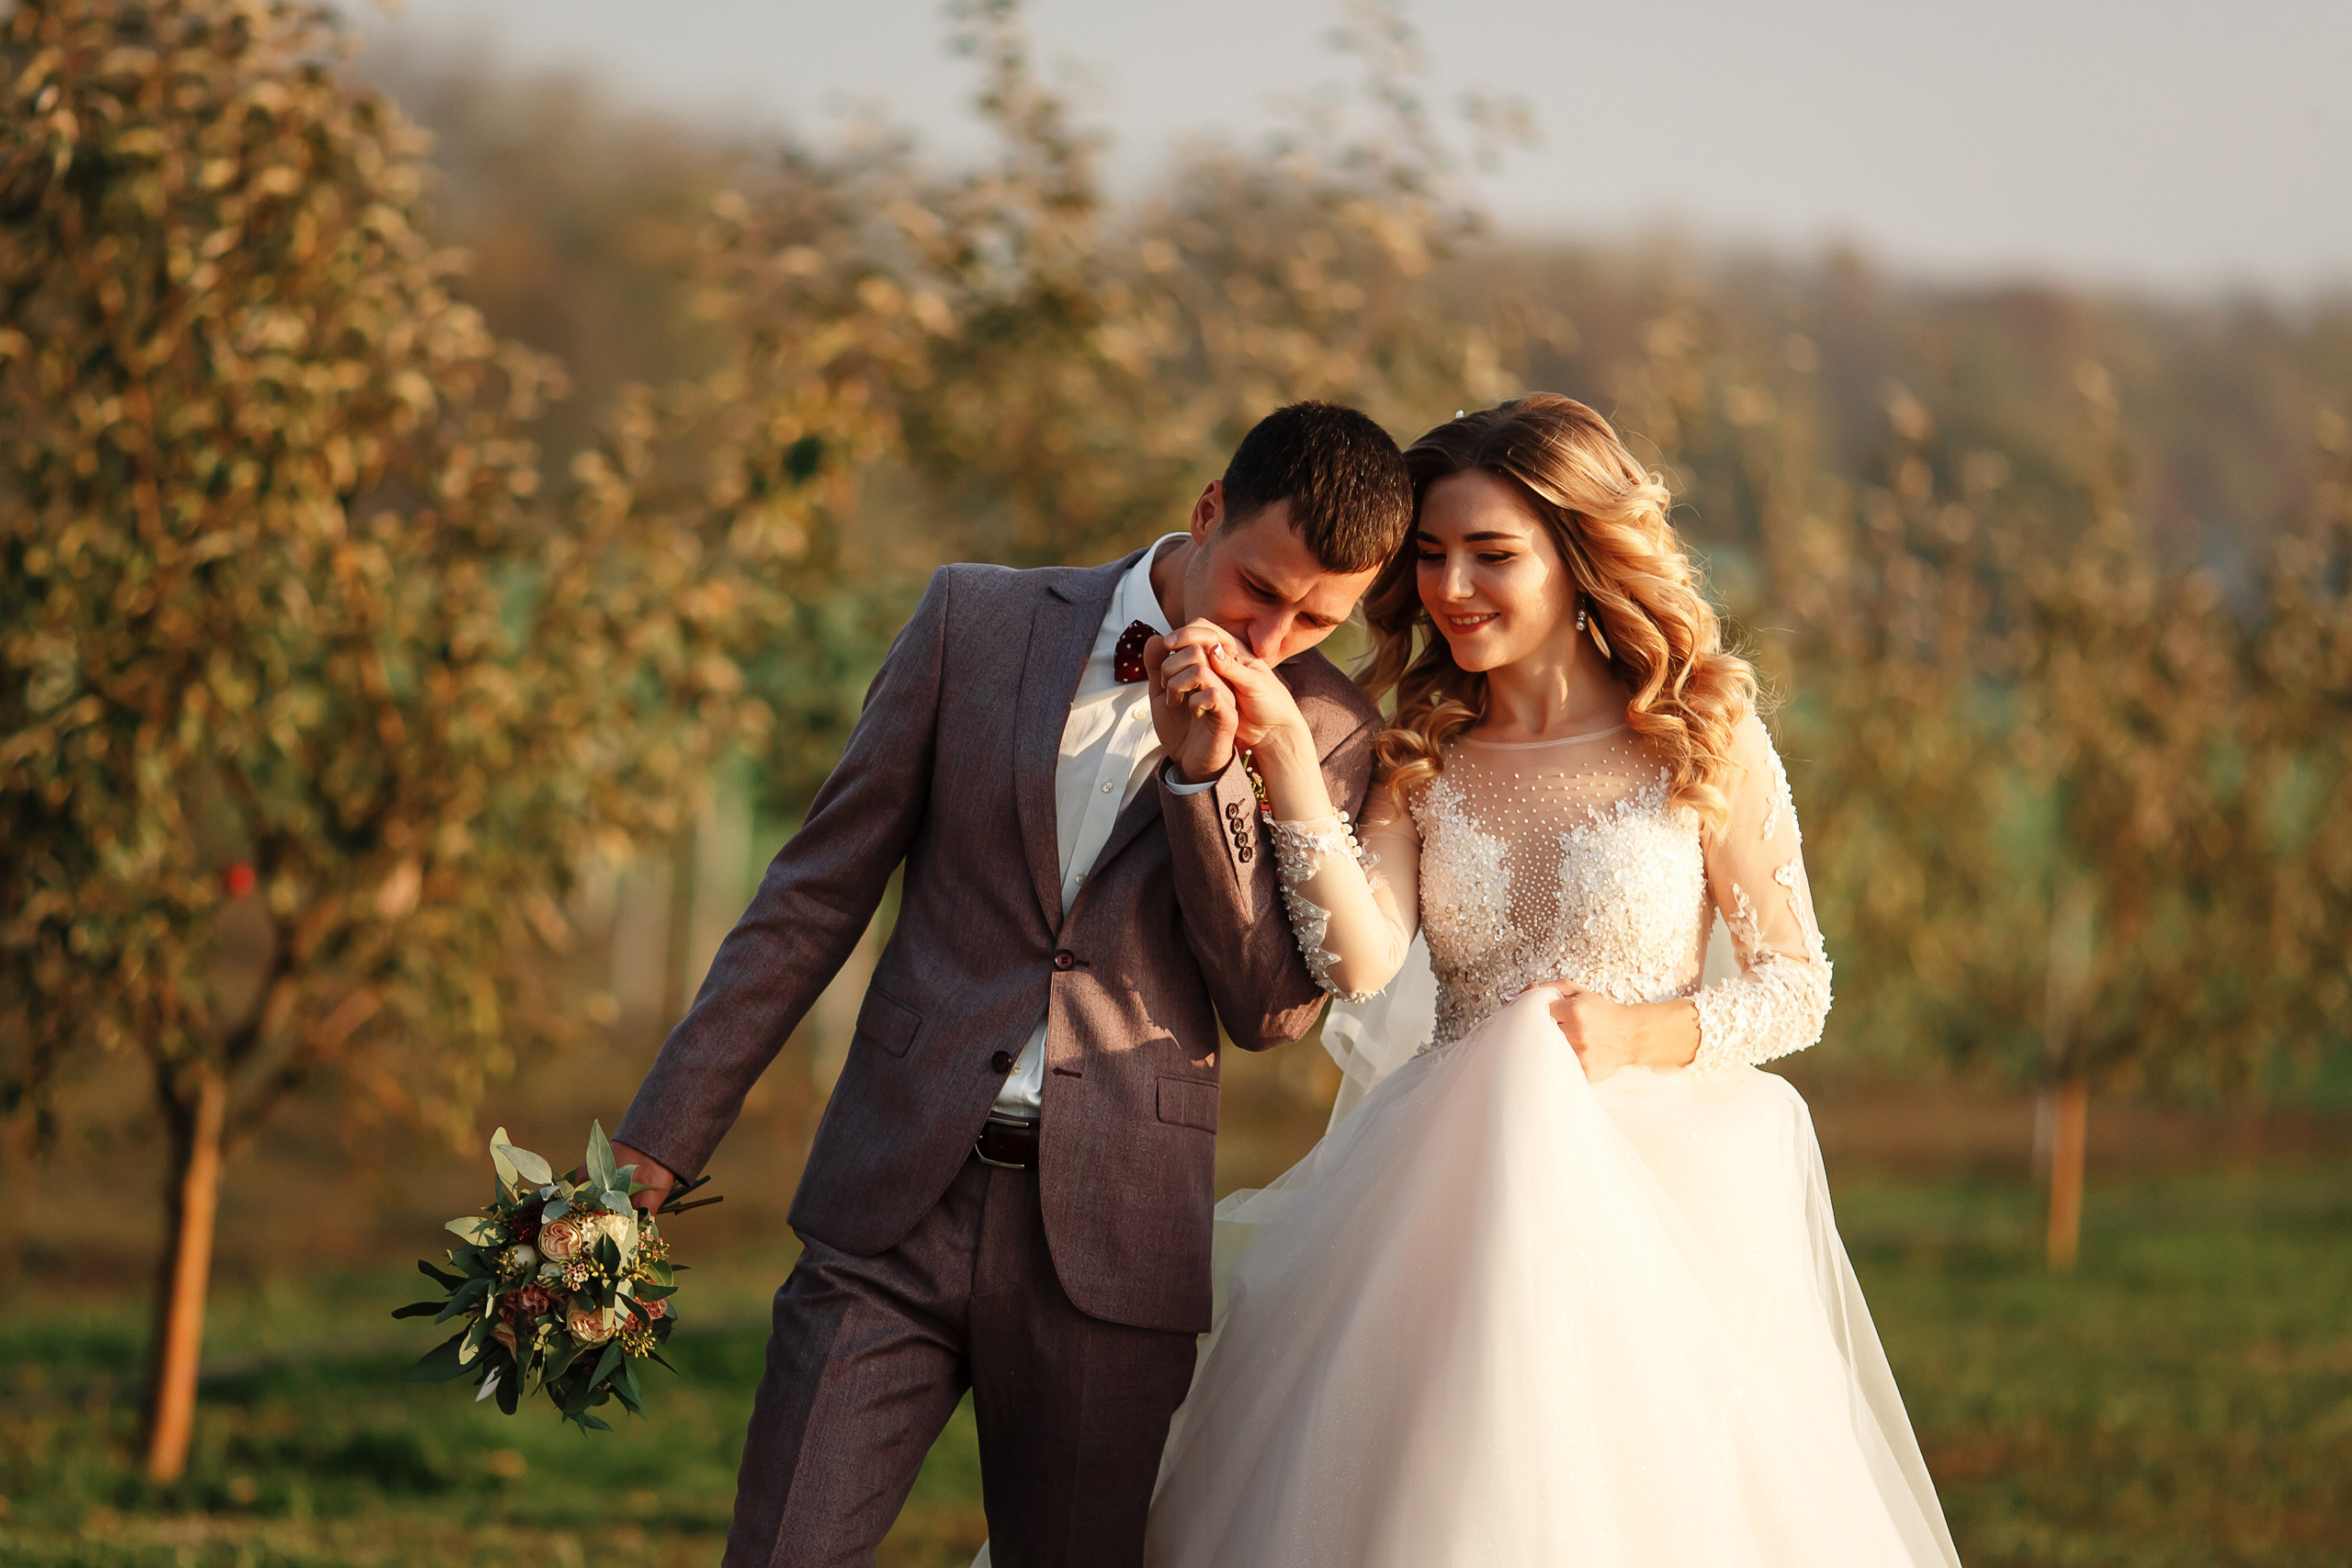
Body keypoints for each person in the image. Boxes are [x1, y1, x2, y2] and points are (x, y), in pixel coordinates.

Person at [1141, 393, 1962, 1566]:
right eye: (1429, 555)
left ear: (1578, 558)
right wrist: (1284, 759)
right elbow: (1359, 962)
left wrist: (1640, 1034)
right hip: (1451, 1184)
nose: (1449, 589)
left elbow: (1795, 986)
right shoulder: (1423, 741)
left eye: (1491, 554)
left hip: (1654, 1194)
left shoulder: (1698, 730)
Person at [605, 401, 1415, 1567]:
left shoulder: (1333, 732)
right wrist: (661, 1140)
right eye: (1257, 589)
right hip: (888, 1204)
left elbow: (1270, 1010)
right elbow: (810, 898)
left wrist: (1206, 786)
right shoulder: (972, 619)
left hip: (1114, 1237)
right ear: (1204, 514)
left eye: (1315, 618)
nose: (1273, 633)